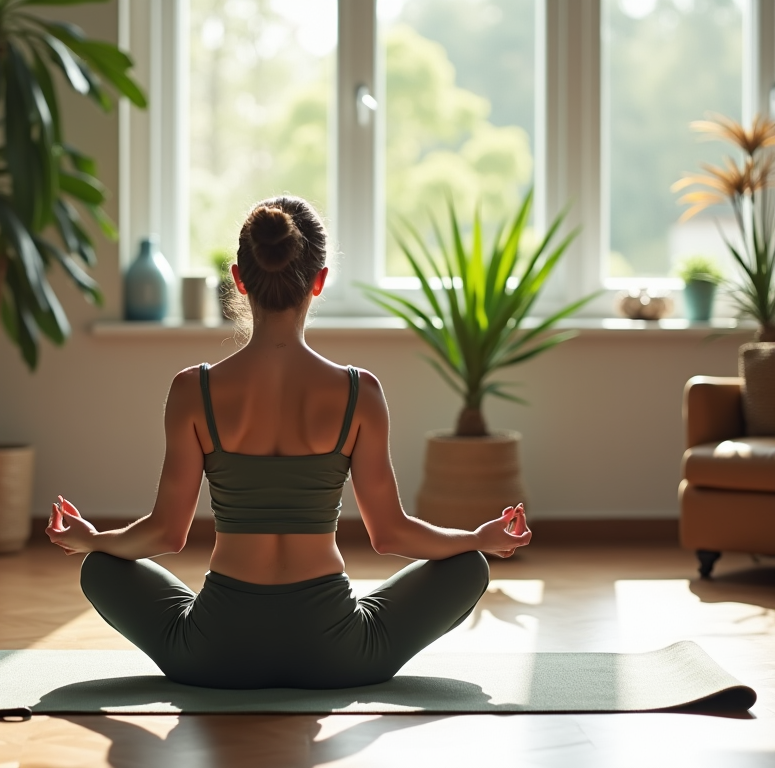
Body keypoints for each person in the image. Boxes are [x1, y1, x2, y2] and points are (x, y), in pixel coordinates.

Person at [46, 195, 532, 689]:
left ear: (238, 279)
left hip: (214, 652)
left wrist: (94, 540)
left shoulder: (192, 390)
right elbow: (390, 535)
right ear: (319, 281)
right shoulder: (359, 392)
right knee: (467, 567)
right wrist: (477, 539)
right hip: (337, 655)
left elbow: (167, 534)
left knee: (100, 568)